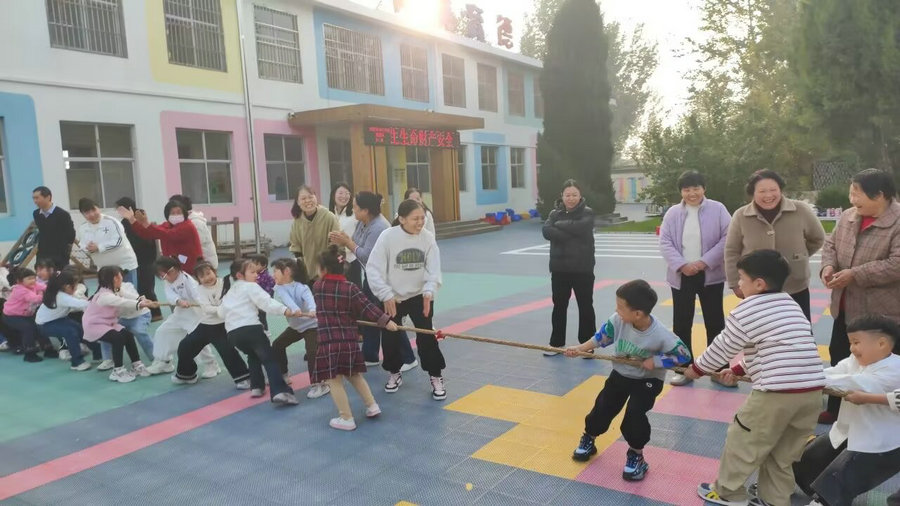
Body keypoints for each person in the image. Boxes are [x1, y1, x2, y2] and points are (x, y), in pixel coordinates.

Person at [684, 249, 826, 506]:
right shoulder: (790, 304)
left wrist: (697, 369)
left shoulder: (747, 308)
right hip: (812, 393)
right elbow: (777, 349)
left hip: (775, 395)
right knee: (784, 454)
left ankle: (727, 492)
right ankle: (774, 499)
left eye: (741, 278)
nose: (738, 284)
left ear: (759, 284)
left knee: (743, 441)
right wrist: (738, 370)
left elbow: (723, 347)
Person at [565, 280, 691, 481]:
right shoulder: (618, 320)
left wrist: (657, 361)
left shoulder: (661, 334)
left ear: (638, 314)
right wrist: (580, 348)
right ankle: (589, 437)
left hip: (647, 380)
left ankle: (636, 455)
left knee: (635, 414)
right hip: (621, 374)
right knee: (603, 406)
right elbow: (601, 338)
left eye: (621, 307)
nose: (617, 310)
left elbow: (684, 356)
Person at [818, 168, 900, 425]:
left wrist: (855, 274)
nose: (852, 199)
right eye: (851, 193)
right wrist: (828, 267)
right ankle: (835, 408)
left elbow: (896, 263)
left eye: (858, 194)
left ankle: (883, 411)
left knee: (881, 363)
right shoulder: (848, 216)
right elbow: (830, 245)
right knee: (841, 355)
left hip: (882, 311)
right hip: (845, 305)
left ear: (880, 195)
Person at [792, 315, 900, 506]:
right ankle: (787, 485)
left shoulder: (894, 370)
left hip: (881, 443)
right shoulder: (856, 360)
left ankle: (823, 501)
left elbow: (853, 383)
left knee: (841, 479)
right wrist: (803, 376)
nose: (852, 348)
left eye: (856, 342)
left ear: (882, 344)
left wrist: (802, 379)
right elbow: (836, 372)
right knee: (809, 458)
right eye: (851, 342)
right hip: (848, 430)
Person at [328, 191, 418, 370]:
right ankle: (370, 355)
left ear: (366, 210)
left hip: (386, 279)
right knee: (368, 313)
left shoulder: (379, 227)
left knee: (388, 317)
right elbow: (356, 243)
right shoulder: (363, 223)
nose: (353, 209)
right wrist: (344, 242)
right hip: (371, 277)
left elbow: (368, 256)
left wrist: (347, 243)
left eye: (355, 207)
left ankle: (408, 358)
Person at [313, 245, 399, 430]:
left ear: (323, 269)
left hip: (329, 342)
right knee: (354, 375)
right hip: (349, 341)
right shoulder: (351, 288)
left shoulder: (318, 287)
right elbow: (367, 307)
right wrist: (386, 321)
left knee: (334, 381)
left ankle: (346, 418)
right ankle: (372, 405)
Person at [366, 199, 445, 400]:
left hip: (420, 296)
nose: (420, 222)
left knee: (427, 337)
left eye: (422, 218)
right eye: (415, 218)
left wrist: (429, 292)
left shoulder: (427, 238)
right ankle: (394, 372)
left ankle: (435, 375)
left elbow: (434, 270)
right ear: (401, 219)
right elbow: (373, 269)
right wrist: (385, 294)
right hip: (393, 298)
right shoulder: (388, 237)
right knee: (390, 337)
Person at [658, 171, 731, 386]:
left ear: (704, 188)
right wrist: (682, 265)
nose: (692, 193)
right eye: (687, 189)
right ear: (681, 192)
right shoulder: (673, 213)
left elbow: (727, 238)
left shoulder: (718, 209)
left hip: (710, 275)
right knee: (681, 323)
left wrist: (703, 263)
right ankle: (683, 369)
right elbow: (665, 242)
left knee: (715, 322)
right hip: (681, 276)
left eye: (696, 188)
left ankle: (719, 370)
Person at [724, 169, 826, 320]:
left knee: (797, 328)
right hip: (756, 288)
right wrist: (734, 283)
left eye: (773, 190)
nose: (768, 195)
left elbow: (817, 238)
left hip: (794, 285)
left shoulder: (801, 210)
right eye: (762, 191)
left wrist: (799, 256)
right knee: (759, 330)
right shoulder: (741, 215)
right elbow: (732, 250)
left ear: (780, 189)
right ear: (752, 193)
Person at [218, 259, 302, 405]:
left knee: (252, 354)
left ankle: (257, 386)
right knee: (269, 358)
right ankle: (280, 391)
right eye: (252, 272)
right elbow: (266, 302)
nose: (256, 275)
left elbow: (220, 313)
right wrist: (285, 310)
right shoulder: (251, 286)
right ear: (240, 275)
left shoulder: (229, 293)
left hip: (233, 334)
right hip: (251, 329)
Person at [172, 261, 250, 389]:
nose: (207, 278)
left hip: (223, 326)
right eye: (202, 276)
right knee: (185, 346)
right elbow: (207, 309)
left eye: (209, 273)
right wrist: (224, 309)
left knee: (227, 351)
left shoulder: (226, 283)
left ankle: (244, 378)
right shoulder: (199, 290)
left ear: (215, 272)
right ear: (198, 280)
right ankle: (186, 375)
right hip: (206, 325)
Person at [541, 179, 596, 355]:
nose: (571, 198)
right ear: (562, 196)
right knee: (559, 306)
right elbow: (546, 231)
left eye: (574, 195)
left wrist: (558, 226)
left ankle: (587, 346)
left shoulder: (587, 213)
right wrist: (569, 232)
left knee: (585, 306)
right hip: (560, 269)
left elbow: (580, 227)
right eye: (567, 195)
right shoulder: (554, 213)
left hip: (583, 269)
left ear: (580, 196)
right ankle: (556, 343)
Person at [147, 256, 221, 377]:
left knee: (198, 340)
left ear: (174, 269)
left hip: (195, 314)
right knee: (162, 332)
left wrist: (203, 304)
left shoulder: (187, 279)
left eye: (166, 274)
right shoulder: (167, 282)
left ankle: (211, 364)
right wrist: (178, 301)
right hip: (180, 313)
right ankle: (164, 362)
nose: (165, 278)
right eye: (162, 276)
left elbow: (197, 294)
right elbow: (170, 295)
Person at [82, 266, 155, 383]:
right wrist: (140, 304)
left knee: (127, 335)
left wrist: (141, 300)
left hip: (107, 323)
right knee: (118, 338)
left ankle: (136, 364)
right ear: (115, 278)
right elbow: (122, 302)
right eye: (120, 275)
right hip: (94, 325)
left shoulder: (114, 290)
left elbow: (127, 295)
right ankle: (118, 371)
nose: (122, 277)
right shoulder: (104, 295)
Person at [271, 257, 330, 398]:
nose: (273, 274)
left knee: (312, 353)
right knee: (277, 344)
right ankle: (283, 374)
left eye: (275, 271)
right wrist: (295, 309)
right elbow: (286, 299)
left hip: (311, 326)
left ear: (286, 271)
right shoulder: (279, 288)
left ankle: (318, 384)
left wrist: (313, 310)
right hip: (296, 327)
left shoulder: (302, 287)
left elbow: (310, 300)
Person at [117, 200, 204, 275]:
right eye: (173, 213)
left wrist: (146, 223)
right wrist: (132, 220)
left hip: (191, 270)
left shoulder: (188, 226)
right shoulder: (167, 225)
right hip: (173, 270)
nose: (176, 215)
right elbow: (148, 233)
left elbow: (167, 234)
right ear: (167, 215)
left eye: (179, 212)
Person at [35, 270, 94, 370]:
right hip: (45, 325)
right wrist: (96, 302)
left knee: (79, 329)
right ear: (67, 287)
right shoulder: (61, 296)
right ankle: (77, 362)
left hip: (58, 319)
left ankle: (97, 353)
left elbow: (79, 303)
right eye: (75, 285)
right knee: (70, 332)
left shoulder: (61, 293)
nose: (76, 288)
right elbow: (80, 304)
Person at [115, 197, 161, 321]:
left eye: (119, 208)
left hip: (144, 259)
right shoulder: (125, 222)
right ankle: (147, 313)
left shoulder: (136, 218)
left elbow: (145, 237)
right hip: (137, 259)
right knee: (141, 288)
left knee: (146, 287)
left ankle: (156, 313)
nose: (118, 211)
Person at [77, 198, 139, 287]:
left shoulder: (111, 222)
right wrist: (87, 248)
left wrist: (99, 247)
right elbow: (82, 245)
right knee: (107, 294)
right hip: (104, 270)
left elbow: (118, 241)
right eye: (87, 212)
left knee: (129, 293)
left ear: (98, 208)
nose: (92, 214)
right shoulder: (83, 228)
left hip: (124, 266)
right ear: (82, 214)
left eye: (94, 210)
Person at [290, 185, 341, 282]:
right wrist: (302, 269)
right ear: (298, 202)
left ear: (316, 197)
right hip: (307, 272)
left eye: (310, 197)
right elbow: (295, 246)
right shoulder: (297, 221)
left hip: (327, 271)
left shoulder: (329, 217)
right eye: (303, 198)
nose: (308, 201)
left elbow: (335, 243)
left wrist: (325, 266)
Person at [3, 267, 54, 362]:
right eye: (29, 279)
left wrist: (52, 289)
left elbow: (44, 287)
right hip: (12, 315)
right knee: (28, 329)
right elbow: (35, 299)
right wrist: (41, 293)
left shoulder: (34, 285)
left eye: (34, 278)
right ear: (19, 281)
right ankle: (29, 353)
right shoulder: (20, 290)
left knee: (39, 326)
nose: (33, 280)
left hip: (26, 314)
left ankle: (48, 349)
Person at [169, 194, 218, 269]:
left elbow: (193, 247)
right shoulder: (183, 222)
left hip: (205, 266)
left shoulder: (195, 223)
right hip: (196, 263)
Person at [31, 186, 75, 270]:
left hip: (59, 255)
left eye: (37, 198)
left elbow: (71, 235)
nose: (35, 201)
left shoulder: (62, 214)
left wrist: (64, 250)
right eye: (33, 198)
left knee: (60, 276)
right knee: (41, 275)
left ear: (48, 197)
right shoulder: (36, 214)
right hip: (42, 253)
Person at [328, 183, 359, 283]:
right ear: (333, 195)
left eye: (347, 193)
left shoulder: (355, 214)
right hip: (333, 260)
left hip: (351, 259)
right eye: (340, 193)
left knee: (354, 288)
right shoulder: (328, 214)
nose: (344, 196)